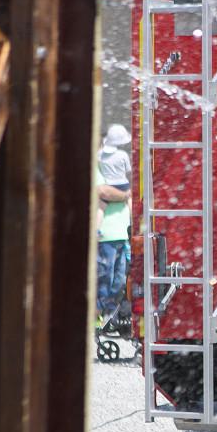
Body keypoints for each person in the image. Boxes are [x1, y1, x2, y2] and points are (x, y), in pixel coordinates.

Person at [95, 124, 133, 327]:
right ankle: (100, 316)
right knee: (105, 278)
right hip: (105, 236)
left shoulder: (110, 161)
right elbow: (103, 192)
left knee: (118, 280)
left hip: (122, 234)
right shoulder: (97, 166)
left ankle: (109, 314)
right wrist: (125, 194)